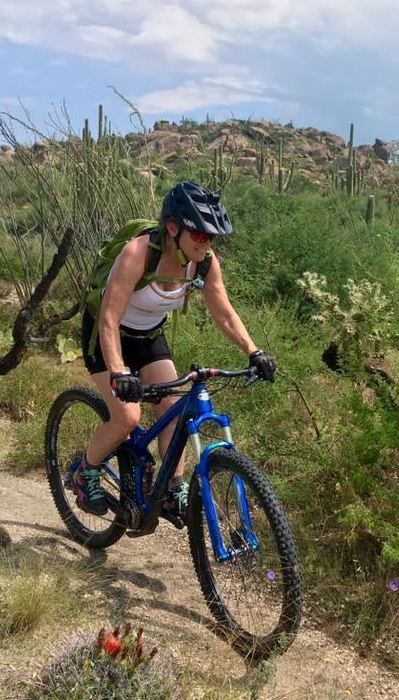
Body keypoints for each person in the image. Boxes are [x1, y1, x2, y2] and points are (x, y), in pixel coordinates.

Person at [72, 181, 276, 518]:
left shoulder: (205, 262)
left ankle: (172, 488)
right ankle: (85, 472)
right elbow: (109, 317)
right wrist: (120, 372)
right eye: (199, 235)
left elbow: (224, 313)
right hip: (106, 335)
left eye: (211, 237)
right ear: (172, 229)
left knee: (176, 410)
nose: (207, 243)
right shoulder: (139, 253)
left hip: (148, 335)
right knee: (127, 416)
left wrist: (254, 352)